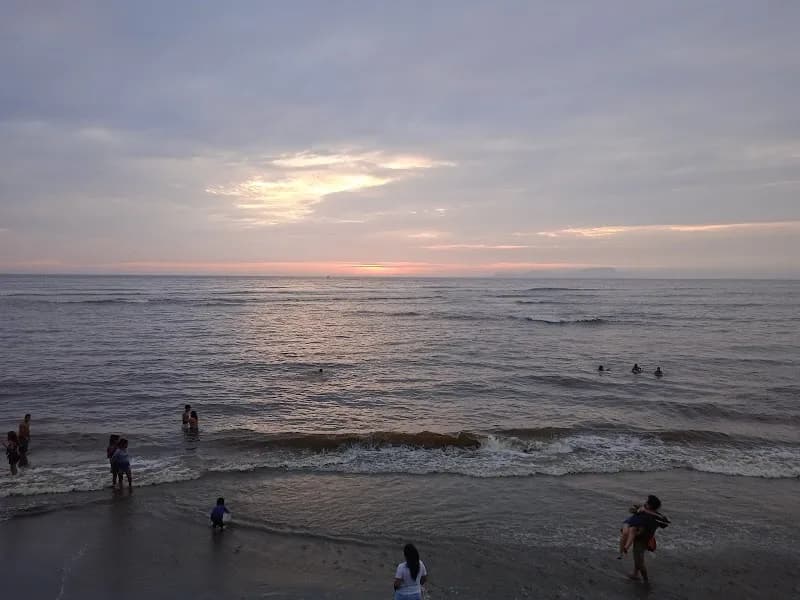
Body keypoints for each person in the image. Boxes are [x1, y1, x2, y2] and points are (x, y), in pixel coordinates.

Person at [622, 495, 670, 583]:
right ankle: (635, 574)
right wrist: (639, 510)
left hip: (643, 540)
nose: (645, 503)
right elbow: (631, 510)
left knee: (639, 561)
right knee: (637, 557)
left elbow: (665, 523)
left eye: (647, 502)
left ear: (651, 506)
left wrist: (650, 513)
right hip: (636, 537)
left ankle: (645, 579)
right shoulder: (642, 509)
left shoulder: (656, 517)